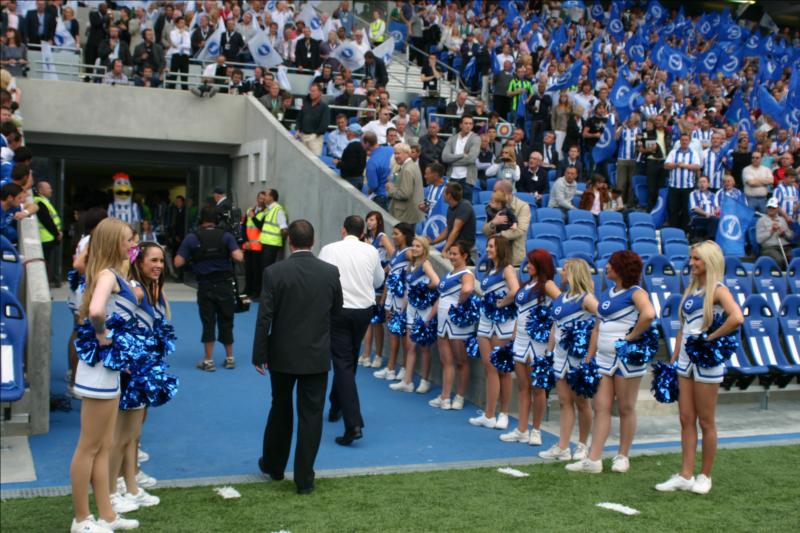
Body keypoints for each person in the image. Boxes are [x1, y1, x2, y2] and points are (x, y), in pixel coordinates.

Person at [252, 220, 343, 495]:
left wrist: (259, 354)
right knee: (311, 415)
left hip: (282, 353)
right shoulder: (329, 272)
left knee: (280, 407)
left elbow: (264, 316)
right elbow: (336, 310)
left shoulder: (274, 272)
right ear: (312, 241)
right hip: (316, 354)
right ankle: (304, 479)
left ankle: (274, 466)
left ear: (290, 241)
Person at [70, 218, 140, 533]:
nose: (132, 244)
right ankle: (81, 519)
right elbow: (97, 310)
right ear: (113, 242)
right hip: (98, 368)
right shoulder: (107, 275)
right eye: (127, 239)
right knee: (89, 446)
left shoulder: (114, 274)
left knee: (104, 444)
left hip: (108, 368)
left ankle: (107, 514)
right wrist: (103, 336)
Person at [656, 241, 743, 495]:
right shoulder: (693, 290)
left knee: (706, 421)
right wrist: (673, 360)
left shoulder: (717, 290)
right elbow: (683, 329)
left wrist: (710, 338)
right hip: (685, 361)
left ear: (709, 262)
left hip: (706, 362)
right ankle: (685, 474)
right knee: (685, 419)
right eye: (691, 258)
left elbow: (737, 317)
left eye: (697, 259)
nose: (691, 263)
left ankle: (705, 475)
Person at [566, 251, 656, 474]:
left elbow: (649, 314)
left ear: (622, 268)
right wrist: (589, 357)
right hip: (603, 359)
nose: (606, 268)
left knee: (625, 408)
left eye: (611, 265)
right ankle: (594, 459)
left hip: (626, 359)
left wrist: (631, 337)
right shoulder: (606, 294)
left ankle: (622, 455)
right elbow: (597, 327)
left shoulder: (636, 292)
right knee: (600, 407)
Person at [110, 242, 174, 514]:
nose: (158, 265)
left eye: (161, 260)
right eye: (153, 260)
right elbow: (113, 323)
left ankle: (130, 485)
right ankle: (112, 490)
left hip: (146, 369)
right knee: (122, 435)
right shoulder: (136, 291)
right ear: (139, 262)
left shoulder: (152, 290)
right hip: (132, 372)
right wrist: (125, 360)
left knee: (133, 434)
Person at [319, 215, 384, 445]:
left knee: (343, 363)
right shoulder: (371, 251)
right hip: (363, 311)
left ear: (343, 230)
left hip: (339, 311)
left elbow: (321, 278)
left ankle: (353, 423)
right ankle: (337, 404)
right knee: (348, 361)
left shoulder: (329, 249)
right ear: (363, 232)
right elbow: (378, 281)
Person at [539, 258, 597, 461]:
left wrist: (586, 343)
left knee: (582, 402)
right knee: (564, 401)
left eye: (564, 269)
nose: (560, 272)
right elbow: (555, 326)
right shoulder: (561, 298)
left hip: (577, 357)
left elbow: (602, 319)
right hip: (560, 356)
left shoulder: (586, 298)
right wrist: (548, 351)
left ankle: (582, 445)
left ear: (573, 273)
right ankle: (563, 446)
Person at [174, 206, 244, 372]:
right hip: (225, 284)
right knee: (227, 320)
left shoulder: (192, 238)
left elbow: (178, 262)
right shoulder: (226, 236)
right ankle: (229, 358)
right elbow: (238, 257)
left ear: (200, 219)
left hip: (205, 285)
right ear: (217, 219)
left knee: (208, 322)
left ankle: (209, 360)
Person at [502, 249, 560, 446]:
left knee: (538, 388)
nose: (527, 266)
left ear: (541, 265)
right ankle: (521, 429)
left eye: (532, 263)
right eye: (527, 263)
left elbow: (561, 306)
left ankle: (536, 431)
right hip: (521, 340)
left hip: (539, 342)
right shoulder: (527, 285)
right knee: (523, 387)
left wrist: (546, 324)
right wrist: (515, 333)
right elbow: (521, 312)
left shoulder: (548, 285)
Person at [470, 235, 520, 430]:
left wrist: (501, 303)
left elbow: (515, 291)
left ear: (500, 248)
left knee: (503, 370)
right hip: (486, 322)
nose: (488, 249)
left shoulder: (507, 269)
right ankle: (489, 414)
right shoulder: (492, 270)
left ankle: (504, 413)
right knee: (489, 367)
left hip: (503, 323)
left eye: (491, 246)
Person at [390, 235, 439, 394]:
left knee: (424, 347)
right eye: (413, 245)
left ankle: (425, 380)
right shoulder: (412, 265)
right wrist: (402, 309)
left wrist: (424, 289)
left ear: (424, 249)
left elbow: (436, 282)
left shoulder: (425, 264)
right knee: (410, 346)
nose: (414, 248)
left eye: (418, 246)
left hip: (423, 310)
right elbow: (408, 292)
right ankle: (407, 381)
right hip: (410, 309)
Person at [430, 241, 474, 410]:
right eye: (451, 253)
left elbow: (468, 289)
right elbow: (441, 297)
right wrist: (429, 318)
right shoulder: (450, 274)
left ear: (464, 256)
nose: (452, 257)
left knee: (461, 361)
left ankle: (460, 397)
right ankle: (445, 396)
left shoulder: (466, 273)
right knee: (446, 361)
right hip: (442, 320)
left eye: (456, 254)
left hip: (457, 322)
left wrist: (458, 305)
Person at [373, 223, 413, 381]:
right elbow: (388, 274)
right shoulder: (396, 252)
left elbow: (420, 264)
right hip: (391, 297)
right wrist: (383, 297)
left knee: (401, 334)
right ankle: (391, 367)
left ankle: (401, 367)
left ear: (405, 235)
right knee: (393, 332)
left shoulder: (409, 252)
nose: (394, 237)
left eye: (397, 234)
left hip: (402, 298)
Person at [358, 211, 395, 369]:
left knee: (376, 321)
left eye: (372, 219)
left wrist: (385, 269)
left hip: (379, 283)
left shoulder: (382, 237)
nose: (369, 222)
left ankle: (378, 355)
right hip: (368, 281)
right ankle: (366, 354)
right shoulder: (367, 238)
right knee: (367, 320)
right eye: (368, 219)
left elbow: (394, 255)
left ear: (379, 221)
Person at [664, 133, 701, 231]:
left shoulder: (694, 153)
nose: (684, 142)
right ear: (680, 141)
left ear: (689, 141)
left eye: (686, 140)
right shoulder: (673, 152)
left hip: (688, 187)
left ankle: (684, 231)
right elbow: (666, 165)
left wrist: (684, 166)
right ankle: (672, 230)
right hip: (674, 187)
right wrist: (676, 164)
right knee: (673, 209)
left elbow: (697, 167)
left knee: (686, 210)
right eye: (682, 140)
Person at [442, 115, 481, 202]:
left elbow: (471, 159)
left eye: (470, 124)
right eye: (466, 123)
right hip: (452, 178)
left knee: (466, 207)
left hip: (466, 180)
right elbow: (444, 157)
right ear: (460, 125)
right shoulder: (452, 138)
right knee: (451, 205)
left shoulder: (476, 139)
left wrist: (452, 161)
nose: (468, 126)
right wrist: (461, 155)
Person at [430, 182, 476, 253]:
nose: (442, 194)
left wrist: (445, 250)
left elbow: (455, 231)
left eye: (444, 192)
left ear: (449, 196)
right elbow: (448, 229)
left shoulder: (465, 206)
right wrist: (433, 242)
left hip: (465, 250)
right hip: (455, 248)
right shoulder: (450, 207)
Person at [387, 143, 425, 225]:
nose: (395, 156)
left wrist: (391, 189)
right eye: (395, 153)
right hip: (409, 214)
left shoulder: (407, 169)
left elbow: (404, 194)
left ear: (407, 153)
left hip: (405, 215)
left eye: (398, 153)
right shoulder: (412, 165)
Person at [33, 179, 62, 287]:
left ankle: (49, 282)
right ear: (40, 190)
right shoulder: (39, 202)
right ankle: (46, 284)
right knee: (45, 264)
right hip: (45, 239)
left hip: (48, 238)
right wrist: (56, 233)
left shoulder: (43, 201)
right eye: (48, 188)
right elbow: (47, 221)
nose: (51, 190)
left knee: (47, 263)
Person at [756, 198, 794, 269]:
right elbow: (759, 240)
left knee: (793, 258)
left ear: (777, 209)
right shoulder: (761, 221)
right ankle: (779, 278)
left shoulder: (782, 220)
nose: (771, 209)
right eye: (769, 207)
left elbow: (791, 236)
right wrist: (771, 231)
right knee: (780, 260)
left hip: (785, 247)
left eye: (773, 208)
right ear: (766, 208)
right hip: (770, 248)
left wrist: (784, 233)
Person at [294, 84, 331, 157]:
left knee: (314, 160)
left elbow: (324, 124)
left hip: (316, 138)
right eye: (310, 91)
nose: (311, 93)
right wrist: (298, 130)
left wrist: (315, 135)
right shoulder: (305, 104)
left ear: (320, 92)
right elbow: (299, 118)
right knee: (302, 159)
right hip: (303, 136)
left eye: (314, 91)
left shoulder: (324, 107)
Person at [243, 191, 267, 299]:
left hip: (258, 247)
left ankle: (255, 292)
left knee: (257, 271)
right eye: (260, 198)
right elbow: (244, 227)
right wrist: (245, 241)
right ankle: (247, 290)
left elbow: (261, 227)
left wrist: (253, 217)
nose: (261, 200)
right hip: (248, 245)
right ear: (257, 198)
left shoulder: (266, 212)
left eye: (263, 199)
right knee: (248, 269)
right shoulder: (249, 210)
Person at [258, 189, 287, 272]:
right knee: (264, 268)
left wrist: (282, 242)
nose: (264, 197)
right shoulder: (269, 209)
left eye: (266, 195)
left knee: (268, 269)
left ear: (271, 197)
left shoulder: (278, 210)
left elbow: (284, 228)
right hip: (266, 243)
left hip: (272, 245)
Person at [334, 124, 367, 190]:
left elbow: (350, 165)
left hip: (351, 180)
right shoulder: (362, 146)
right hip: (359, 178)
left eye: (347, 131)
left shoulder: (352, 146)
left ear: (351, 133)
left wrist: (338, 163)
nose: (346, 133)